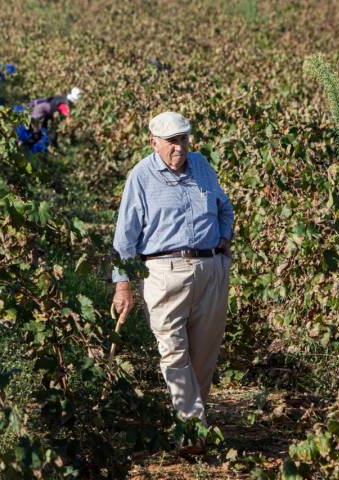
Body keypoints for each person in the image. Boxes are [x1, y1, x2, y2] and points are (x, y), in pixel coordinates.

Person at [110, 111, 234, 452]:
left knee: (203, 357)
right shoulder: (141, 177)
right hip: (164, 273)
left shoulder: (202, 166)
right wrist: (123, 285)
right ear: (154, 142)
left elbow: (226, 209)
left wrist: (224, 240)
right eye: (171, 141)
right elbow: (125, 237)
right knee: (173, 353)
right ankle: (194, 432)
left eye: (183, 139)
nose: (179, 148)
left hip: (211, 270)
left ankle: (192, 423)